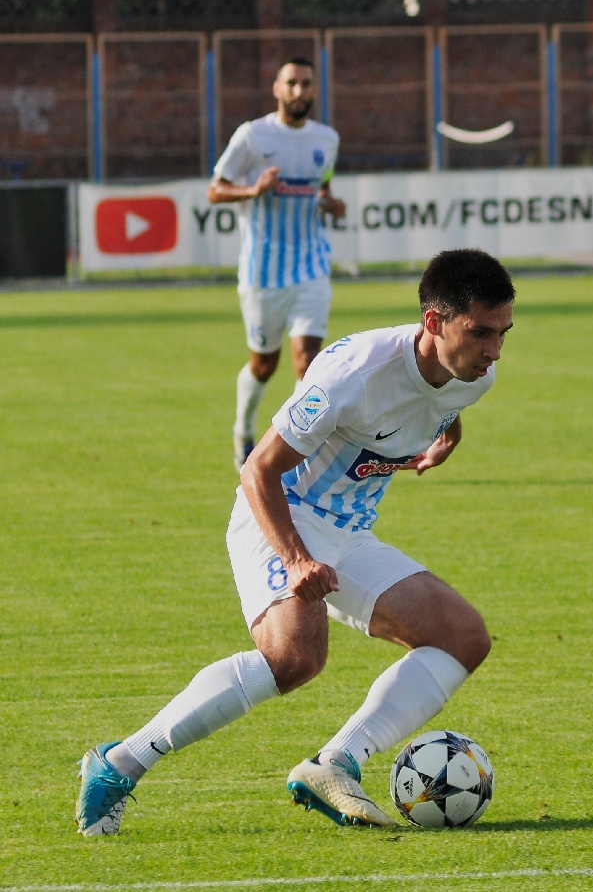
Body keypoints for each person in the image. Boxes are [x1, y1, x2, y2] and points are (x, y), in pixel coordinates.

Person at [75, 249, 515, 836]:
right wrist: (297, 558)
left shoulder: (474, 376)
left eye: (503, 333)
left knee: (462, 637)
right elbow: (258, 469)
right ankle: (119, 763)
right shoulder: (352, 375)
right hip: (283, 517)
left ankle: (336, 763)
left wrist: (446, 436)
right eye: (480, 333)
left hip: (348, 533)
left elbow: (439, 402)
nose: (494, 350)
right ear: (434, 322)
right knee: (295, 658)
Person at [208, 57, 346, 472]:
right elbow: (215, 190)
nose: (299, 91)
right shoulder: (253, 135)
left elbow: (323, 187)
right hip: (262, 271)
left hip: (311, 266)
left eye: (306, 84)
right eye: (291, 83)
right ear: (277, 88)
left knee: (308, 361)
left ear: (314, 89)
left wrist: (330, 204)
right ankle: (243, 429)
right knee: (264, 365)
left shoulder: (327, 139)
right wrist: (253, 189)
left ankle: (294, 450)